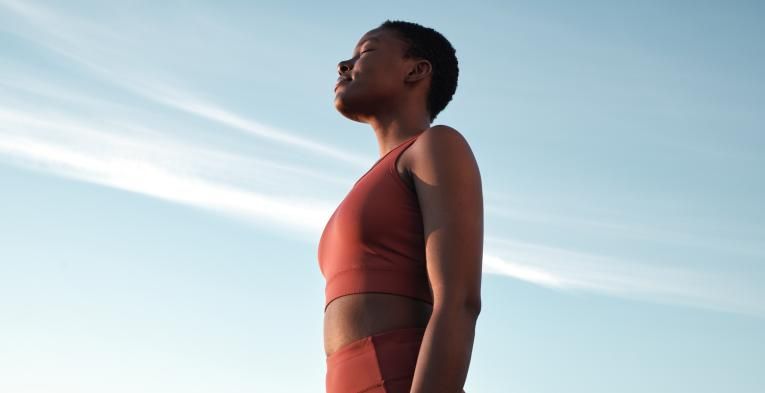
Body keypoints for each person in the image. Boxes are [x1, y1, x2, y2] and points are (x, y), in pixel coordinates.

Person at [319, 19, 483, 393]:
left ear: (416, 70)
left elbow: (459, 300)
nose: (344, 65)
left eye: (366, 51)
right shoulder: (368, 183)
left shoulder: (435, 146)